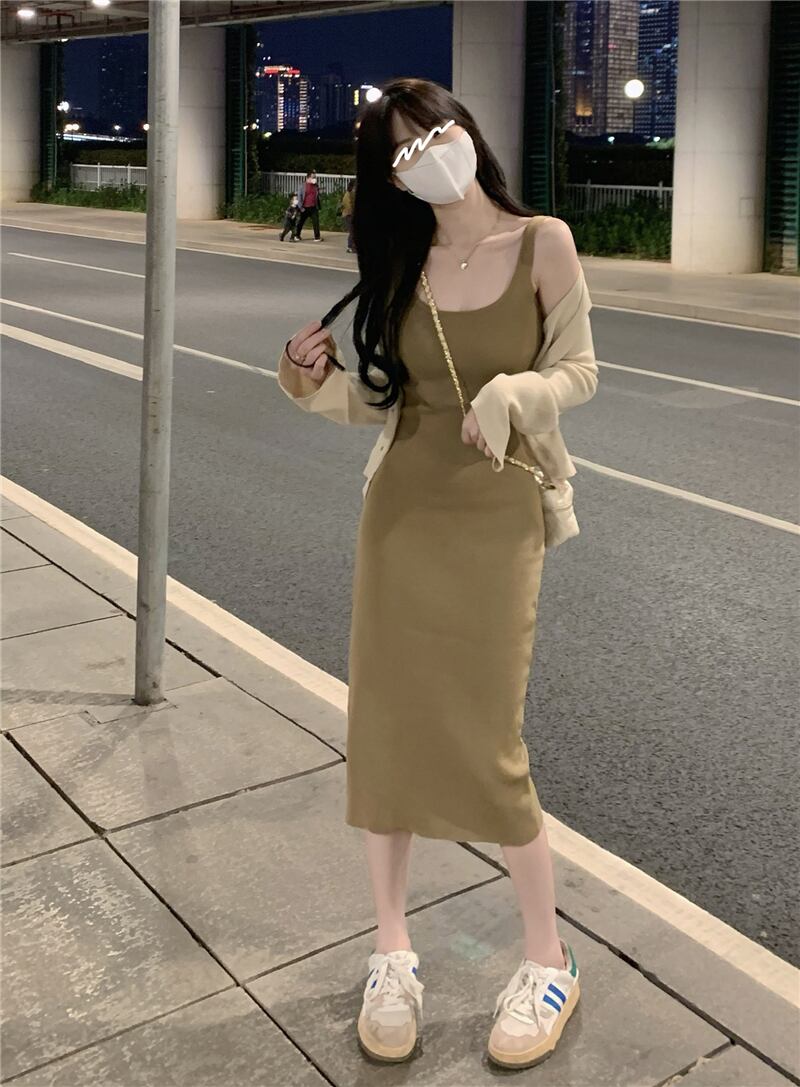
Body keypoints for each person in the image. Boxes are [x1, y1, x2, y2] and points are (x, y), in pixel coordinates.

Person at [277, 77, 597, 1071]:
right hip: (401, 517)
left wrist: (514, 393)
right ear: (390, 178)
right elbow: (388, 401)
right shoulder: (402, 259)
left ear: (468, 131)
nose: (430, 154)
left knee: (487, 734)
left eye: (439, 132)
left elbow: (579, 370)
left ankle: (547, 960)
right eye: (405, 151)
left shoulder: (542, 242)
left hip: (497, 517)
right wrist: (309, 376)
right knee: (388, 729)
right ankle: (392, 952)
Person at [295, 169, 323, 241]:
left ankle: (317, 237)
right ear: (308, 178)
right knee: (301, 222)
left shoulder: (315, 186)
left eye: (315, 177)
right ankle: (297, 235)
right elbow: (299, 197)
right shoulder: (302, 186)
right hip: (305, 207)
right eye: (313, 177)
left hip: (313, 207)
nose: (314, 179)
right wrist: (301, 208)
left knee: (316, 222)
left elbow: (317, 196)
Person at [341, 177, 356, 253]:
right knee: (352, 231)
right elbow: (348, 206)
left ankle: (353, 246)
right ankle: (350, 247)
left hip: (351, 215)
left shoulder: (352, 194)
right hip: (348, 215)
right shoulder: (347, 195)